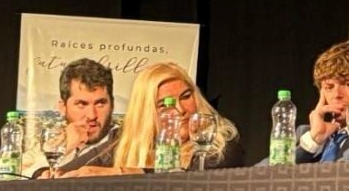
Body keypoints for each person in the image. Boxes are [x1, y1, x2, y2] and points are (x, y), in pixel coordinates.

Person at [63, 61, 243, 176]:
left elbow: (194, 182)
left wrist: (123, 172)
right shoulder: (123, 139)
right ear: (146, 112)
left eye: (186, 97)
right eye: (164, 104)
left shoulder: (219, 141)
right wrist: (56, 165)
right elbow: (69, 171)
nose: (180, 110)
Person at [30, 58, 120, 178]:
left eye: (100, 104)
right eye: (82, 104)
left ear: (112, 105)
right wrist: (65, 147)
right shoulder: (54, 141)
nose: (92, 115)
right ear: (63, 107)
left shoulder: (125, 145)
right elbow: (17, 175)